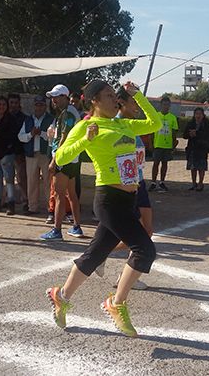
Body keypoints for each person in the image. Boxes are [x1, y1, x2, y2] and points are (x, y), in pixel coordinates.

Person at [46, 80, 162, 337]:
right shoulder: (86, 125)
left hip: (128, 200)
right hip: (108, 199)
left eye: (115, 95)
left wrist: (138, 95)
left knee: (95, 255)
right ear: (94, 101)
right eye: (109, 96)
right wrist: (85, 140)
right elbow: (61, 157)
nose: (115, 100)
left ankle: (61, 295)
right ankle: (116, 303)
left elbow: (155, 123)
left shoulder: (122, 123)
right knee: (145, 250)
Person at [93, 85, 154, 291]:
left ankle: (113, 264)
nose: (137, 106)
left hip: (139, 183)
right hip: (123, 188)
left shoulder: (133, 125)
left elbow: (153, 122)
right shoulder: (114, 125)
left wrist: (138, 94)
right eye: (133, 102)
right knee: (139, 234)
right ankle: (103, 259)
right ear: (122, 103)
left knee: (145, 231)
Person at [40, 84, 83, 240]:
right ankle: (77, 227)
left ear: (65, 97)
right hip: (72, 159)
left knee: (59, 195)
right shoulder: (67, 112)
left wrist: (54, 160)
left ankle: (57, 230)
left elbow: (64, 138)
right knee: (71, 195)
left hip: (64, 159)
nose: (54, 100)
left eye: (57, 97)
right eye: (52, 97)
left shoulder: (67, 113)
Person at [18, 95, 54, 214]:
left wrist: (42, 133)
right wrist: (30, 134)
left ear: (45, 106)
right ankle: (32, 207)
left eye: (41, 105)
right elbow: (21, 137)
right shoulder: (28, 119)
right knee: (32, 182)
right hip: (31, 154)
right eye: (37, 105)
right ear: (34, 106)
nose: (39, 107)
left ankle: (51, 208)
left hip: (45, 154)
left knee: (47, 182)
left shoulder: (50, 119)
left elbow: (53, 136)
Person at [149, 96, 178, 192]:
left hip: (167, 145)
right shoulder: (156, 116)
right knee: (155, 163)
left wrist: (174, 145)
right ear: (161, 105)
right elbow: (151, 131)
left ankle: (162, 181)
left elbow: (174, 133)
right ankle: (153, 182)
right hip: (157, 144)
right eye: (164, 104)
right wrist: (150, 143)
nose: (166, 106)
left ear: (170, 106)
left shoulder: (172, 118)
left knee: (164, 163)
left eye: (167, 105)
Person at [183, 107, 209, 191]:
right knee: (193, 167)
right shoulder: (191, 123)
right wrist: (190, 134)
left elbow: (208, 135)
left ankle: (200, 183)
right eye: (196, 114)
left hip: (202, 148)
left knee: (201, 167)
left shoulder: (206, 124)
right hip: (192, 148)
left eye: (200, 114)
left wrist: (197, 133)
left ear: (203, 115)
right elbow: (184, 135)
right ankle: (194, 183)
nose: (198, 116)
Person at [8, 93, 29, 212]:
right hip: (6, 152)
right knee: (9, 178)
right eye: (11, 103)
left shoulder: (24, 118)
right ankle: (11, 200)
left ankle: (26, 199)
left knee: (21, 178)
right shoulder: (4, 116)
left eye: (16, 103)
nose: (14, 105)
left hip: (19, 152)